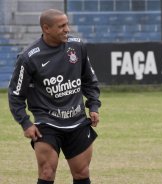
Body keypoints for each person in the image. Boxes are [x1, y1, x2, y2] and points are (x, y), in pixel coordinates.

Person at [8, 9, 101, 184]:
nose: (67, 29)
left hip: (77, 120)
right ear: (46, 28)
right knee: (47, 172)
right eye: (61, 26)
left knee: (82, 172)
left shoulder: (78, 46)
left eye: (67, 24)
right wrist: (25, 123)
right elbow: (15, 95)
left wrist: (93, 106)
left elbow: (89, 80)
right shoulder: (29, 57)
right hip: (47, 123)